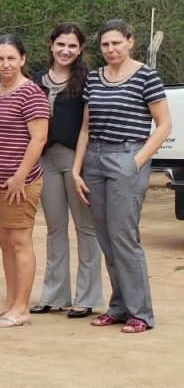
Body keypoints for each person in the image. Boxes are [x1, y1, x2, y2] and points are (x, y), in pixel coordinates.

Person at [73, 19, 172, 334]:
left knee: (123, 237)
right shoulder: (94, 78)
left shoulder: (146, 76)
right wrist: (76, 168)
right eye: (105, 44)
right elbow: (86, 128)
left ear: (130, 41)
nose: (111, 49)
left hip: (127, 156)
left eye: (116, 42)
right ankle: (118, 307)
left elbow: (164, 125)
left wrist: (137, 161)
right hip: (95, 159)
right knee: (105, 237)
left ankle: (141, 312)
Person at [29, 24, 103, 319]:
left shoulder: (89, 80)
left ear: (80, 49)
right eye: (61, 44)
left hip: (77, 160)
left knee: (86, 229)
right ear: (51, 44)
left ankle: (87, 297)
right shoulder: (36, 79)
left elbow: (89, 126)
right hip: (45, 160)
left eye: (72, 46)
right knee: (55, 227)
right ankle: (55, 295)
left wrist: (80, 167)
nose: (65, 50)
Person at [0, 34, 49, 328]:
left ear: (23, 59)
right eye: (0, 59)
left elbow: (39, 138)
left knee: (20, 242)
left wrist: (20, 176)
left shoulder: (31, 93)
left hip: (20, 183)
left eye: (11, 58)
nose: (5, 64)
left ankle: (22, 308)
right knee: (5, 243)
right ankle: (9, 303)